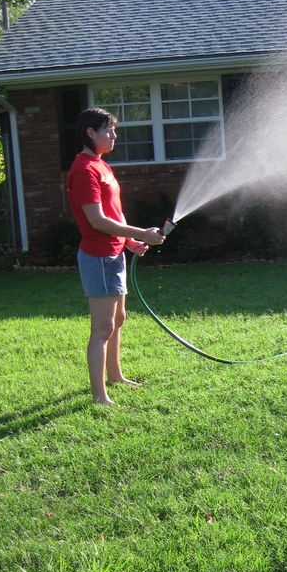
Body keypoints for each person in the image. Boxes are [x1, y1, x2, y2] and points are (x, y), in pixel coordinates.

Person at [67, 108, 166, 404]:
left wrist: (130, 241)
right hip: (98, 256)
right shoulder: (84, 170)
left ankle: (116, 375)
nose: (114, 135)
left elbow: (114, 214)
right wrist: (143, 233)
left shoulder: (101, 166)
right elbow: (97, 220)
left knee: (118, 319)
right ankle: (100, 396)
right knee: (102, 328)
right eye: (108, 130)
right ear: (90, 133)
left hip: (113, 253)